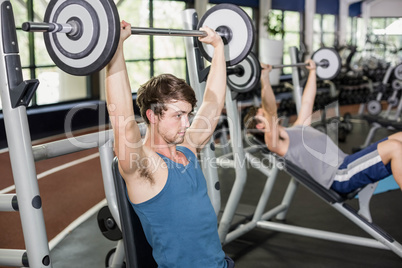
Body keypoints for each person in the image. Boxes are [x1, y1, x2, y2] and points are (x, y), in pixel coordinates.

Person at [105, 21, 234, 267]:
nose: (186, 123)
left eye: (188, 114)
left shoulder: (188, 146)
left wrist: (218, 49)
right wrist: (115, 48)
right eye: (178, 115)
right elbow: (122, 119)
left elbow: (213, 102)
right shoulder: (143, 168)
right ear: (153, 116)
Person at [244, 60, 402, 195]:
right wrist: (265, 77)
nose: (267, 112)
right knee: (394, 147)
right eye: (262, 113)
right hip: (340, 176)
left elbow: (307, 100)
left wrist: (312, 71)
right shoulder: (276, 144)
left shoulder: (298, 127)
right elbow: (270, 109)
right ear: (260, 125)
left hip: (348, 162)